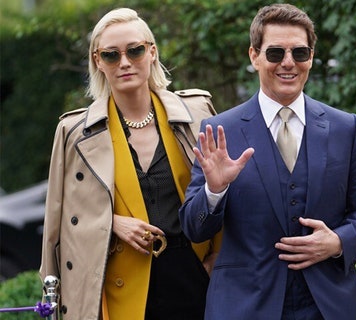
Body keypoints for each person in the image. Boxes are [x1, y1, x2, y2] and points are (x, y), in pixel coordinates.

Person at [179, 3, 356, 319]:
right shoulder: (220, 131)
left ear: (311, 57)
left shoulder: (345, 127)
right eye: (275, 53)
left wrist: (338, 241)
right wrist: (214, 191)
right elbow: (194, 228)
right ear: (254, 56)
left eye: (299, 53)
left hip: (328, 306)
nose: (288, 63)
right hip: (245, 306)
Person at [39, 7, 220, 320]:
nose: (124, 62)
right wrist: (111, 222)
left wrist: (222, 257)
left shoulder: (197, 113)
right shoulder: (73, 133)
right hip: (117, 282)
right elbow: (59, 225)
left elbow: (221, 191)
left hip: (194, 276)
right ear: (98, 61)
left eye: (134, 51)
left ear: (151, 53)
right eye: (111, 55)